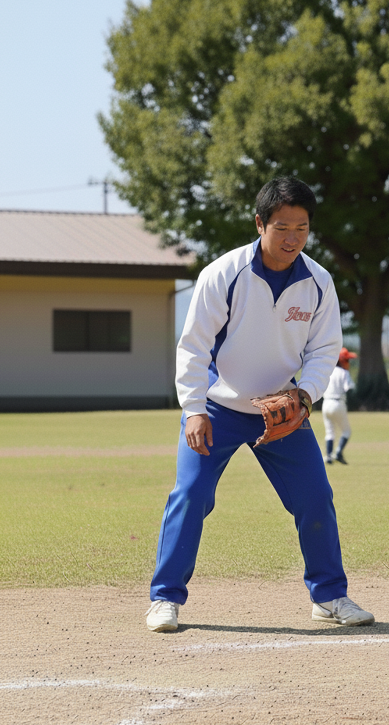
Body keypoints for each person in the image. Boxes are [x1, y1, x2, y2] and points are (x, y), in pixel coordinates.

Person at [145, 176, 374, 633]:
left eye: (302, 229)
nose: (292, 239)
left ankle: (328, 596)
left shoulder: (319, 282)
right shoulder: (223, 274)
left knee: (316, 499)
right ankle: (164, 599)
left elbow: (325, 349)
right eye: (282, 227)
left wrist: (304, 397)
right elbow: (192, 347)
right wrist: (192, 409)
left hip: (286, 412)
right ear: (259, 223)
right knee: (189, 497)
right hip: (217, 409)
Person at [322, 347, 357, 465]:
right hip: (338, 403)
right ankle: (338, 453)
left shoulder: (328, 372)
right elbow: (350, 389)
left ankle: (329, 457)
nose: (348, 363)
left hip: (326, 403)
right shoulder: (344, 373)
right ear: (342, 361)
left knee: (329, 432)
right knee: (346, 431)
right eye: (347, 360)